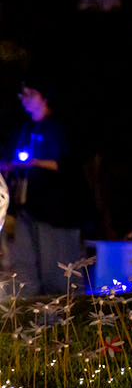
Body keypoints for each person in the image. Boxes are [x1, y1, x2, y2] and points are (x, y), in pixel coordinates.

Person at [5, 82, 84, 295]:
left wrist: (33, 162)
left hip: (55, 210)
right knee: (25, 265)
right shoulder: (24, 129)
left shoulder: (57, 127)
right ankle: (26, 303)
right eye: (22, 94)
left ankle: (66, 307)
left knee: (57, 268)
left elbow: (66, 164)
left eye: (30, 93)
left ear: (44, 97)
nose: (24, 98)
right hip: (26, 206)